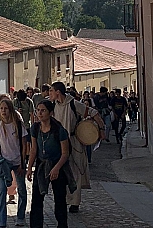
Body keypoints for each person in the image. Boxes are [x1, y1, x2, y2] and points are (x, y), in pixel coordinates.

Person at [49, 82, 105, 214]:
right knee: (61, 173)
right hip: (59, 143)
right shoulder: (53, 105)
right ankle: (64, 199)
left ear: (58, 92)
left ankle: (75, 202)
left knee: (76, 172)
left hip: (74, 142)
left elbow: (93, 113)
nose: (50, 93)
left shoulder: (73, 104)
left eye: (51, 90)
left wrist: (101, 129)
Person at [26, 100, 73, 228]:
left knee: (59, 198)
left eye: (43, 110)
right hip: (42, 164)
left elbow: (65, 153)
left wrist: (56, 168)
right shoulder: (35, 128)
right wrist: (29, 168)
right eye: (38, 110)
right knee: (37, 198)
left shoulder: (59, 130)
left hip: (58, 164)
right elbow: (34, 149)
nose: (39, 113)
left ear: (50, 113)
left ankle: (62, 225)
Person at [0, 98, 27, 228]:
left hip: (17, 161)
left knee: (22, 189)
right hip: (3, 162)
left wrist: (23, 163)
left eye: (6, 108)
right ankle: (2, 222)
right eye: (1, 109)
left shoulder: (18, 124)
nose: (3, 111)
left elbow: (24, 144)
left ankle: (20, 217)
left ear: (10, 109)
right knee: (1, 191)